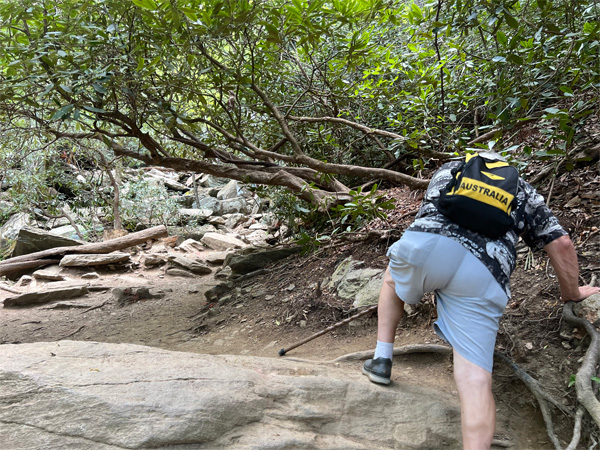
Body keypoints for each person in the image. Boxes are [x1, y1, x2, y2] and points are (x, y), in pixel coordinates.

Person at [362, 153, 600, 450]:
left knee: (391, 278)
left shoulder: (450, 169)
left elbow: (428, 217)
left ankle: (382, 358)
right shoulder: (522, 189)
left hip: (428, 247)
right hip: (485, 269)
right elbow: (562, 243)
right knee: (475, 380)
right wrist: (573, 293)